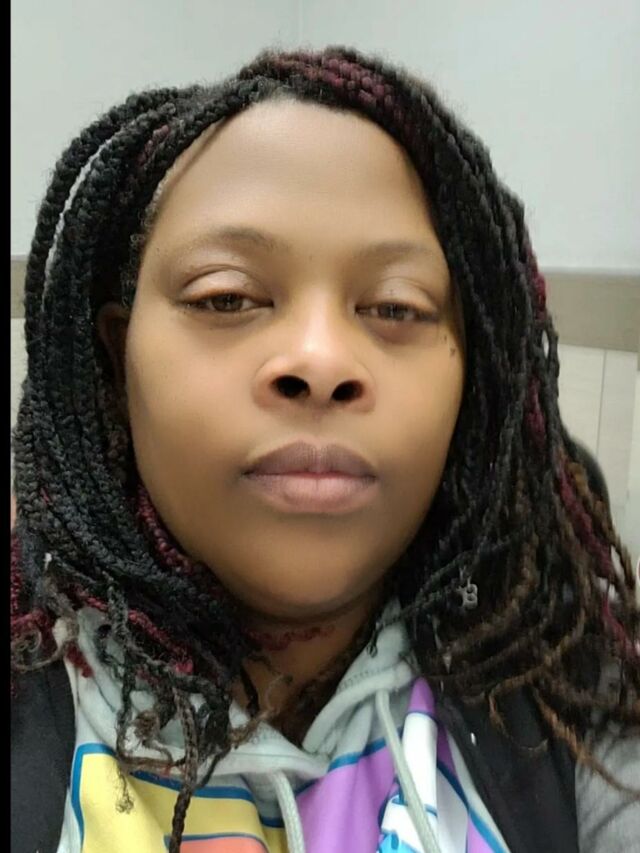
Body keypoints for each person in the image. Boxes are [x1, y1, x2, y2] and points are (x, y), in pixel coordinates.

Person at [10, 44, 639, 853]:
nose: (320, 360)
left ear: (473, 378)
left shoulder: (562, 681)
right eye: (226, 296)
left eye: (396, 307)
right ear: (115, 359)